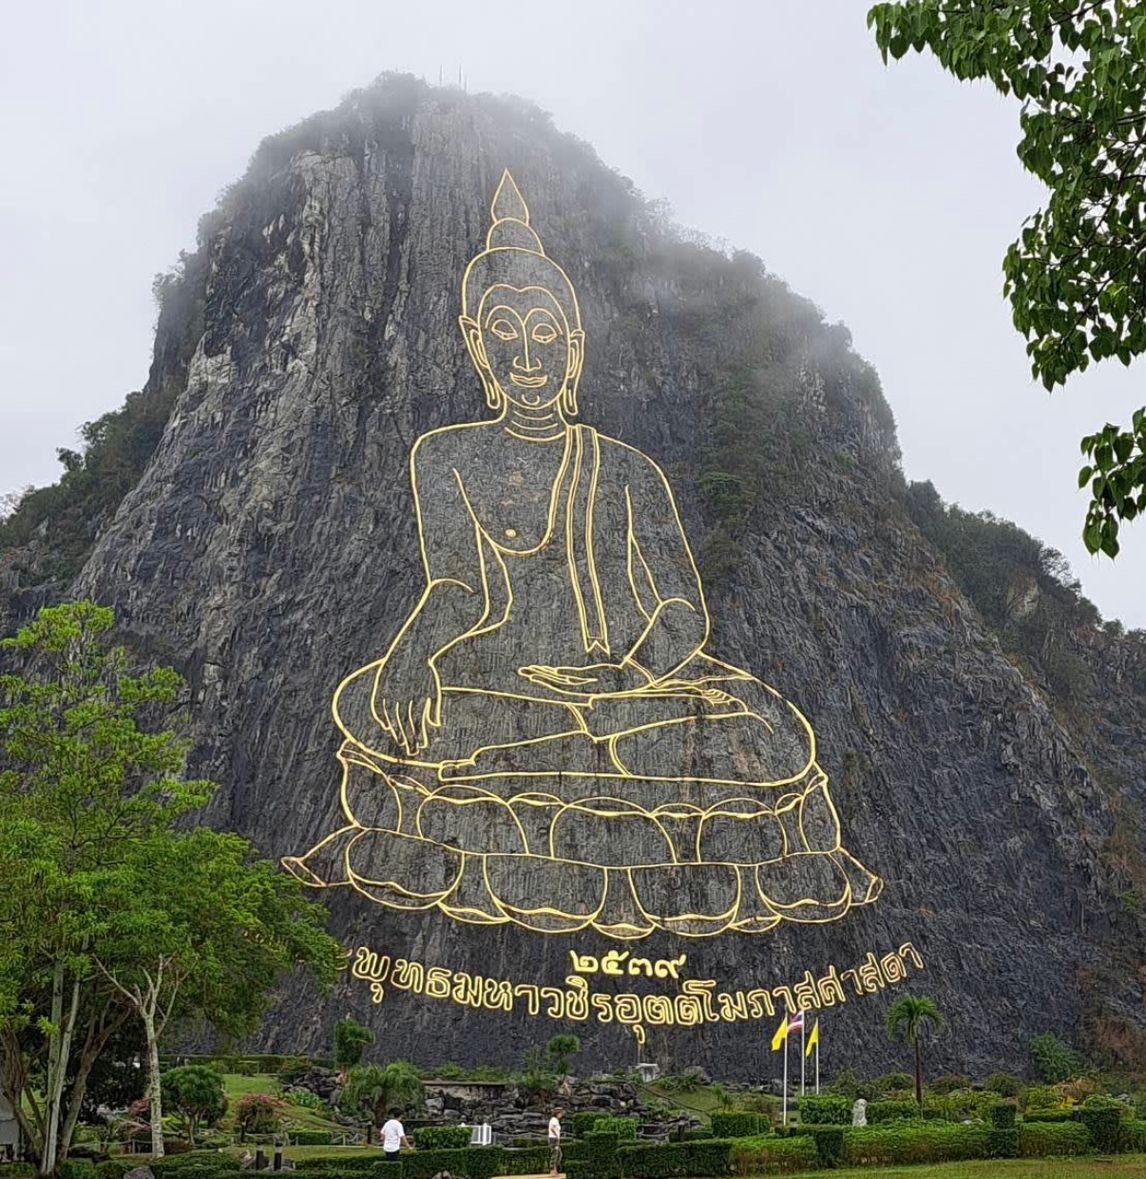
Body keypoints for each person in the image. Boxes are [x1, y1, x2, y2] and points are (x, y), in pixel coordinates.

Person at [284, 171, 881, 939]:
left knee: (760, 729)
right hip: (503, 683)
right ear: (475, 342)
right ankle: (575, 800)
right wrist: (409, 655)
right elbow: (460, 588)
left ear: (573, 347)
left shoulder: (627, 469)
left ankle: (538, 801)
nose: (526, 355)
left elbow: (682, 611)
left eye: (544, 334)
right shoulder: (445, 456)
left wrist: (626, 677)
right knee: (378, 702)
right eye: (504, 332)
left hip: (632, 692)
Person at [548, 1108, 563, 1176]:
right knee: (555, 1154)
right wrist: (557, 1136)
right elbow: (552, 1128)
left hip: (555, 1138)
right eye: (560, 1113)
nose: (561, 1115)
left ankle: (555, 1169)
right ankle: (552, 1170)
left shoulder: (555, 1120)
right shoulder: (554, 1120)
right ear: (557, 1114)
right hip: (554, 1139)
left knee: (559, 1154)